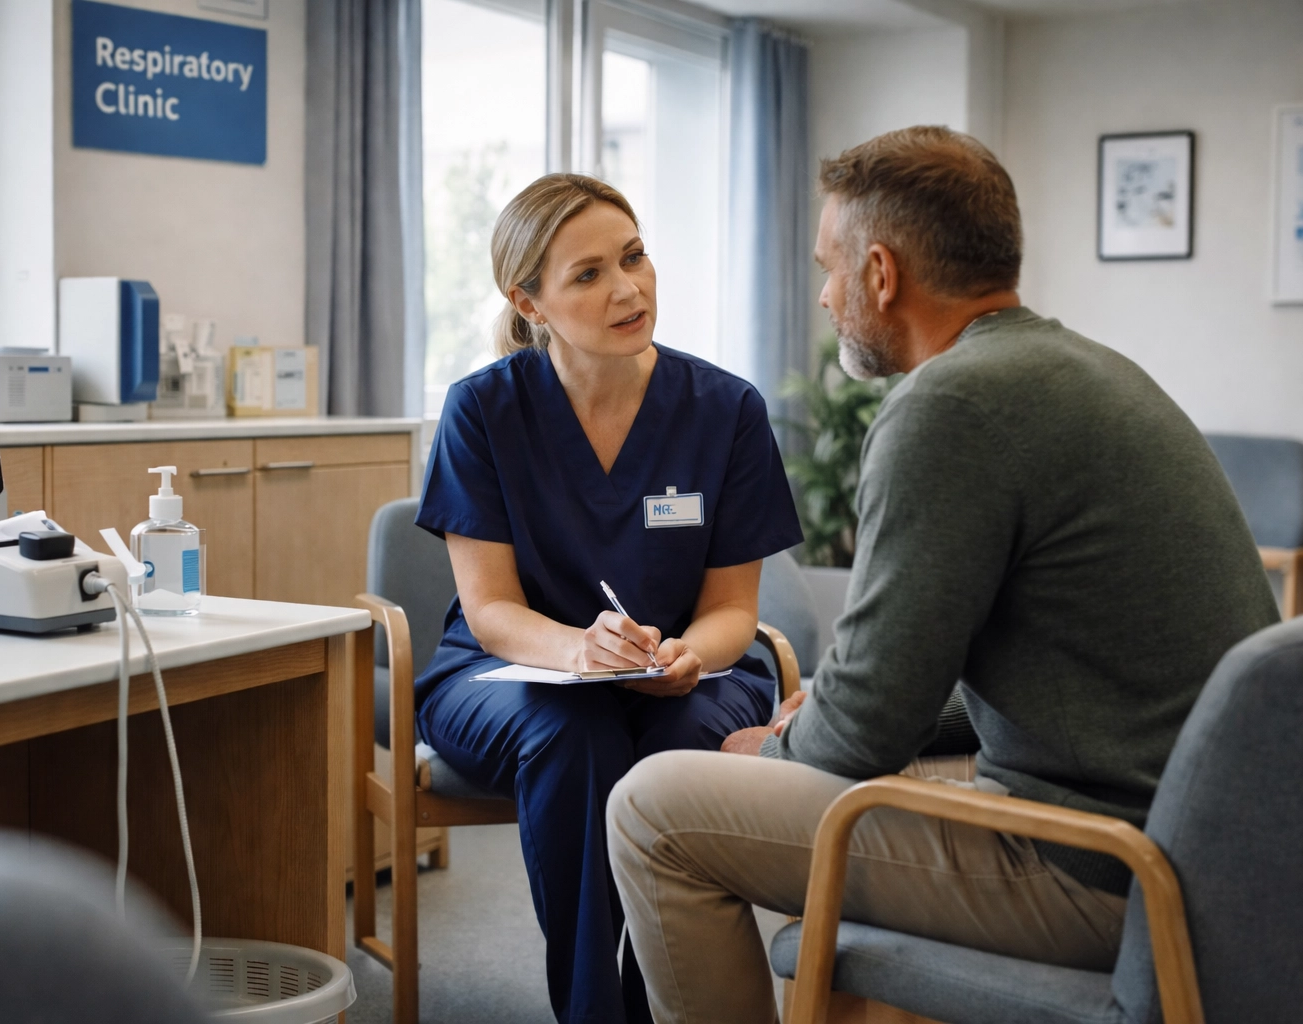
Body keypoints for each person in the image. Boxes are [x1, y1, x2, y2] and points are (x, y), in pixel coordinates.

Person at [606, 126, 1279, 1024]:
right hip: (1202, 849)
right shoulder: (1090, 370)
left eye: (830, 268)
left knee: (653, 807)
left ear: (881, 275)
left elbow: (860, 735)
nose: (824, 294)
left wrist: (775, 748)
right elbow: (1047, 671)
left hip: (1103, 871)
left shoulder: (949, 407)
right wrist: (858, 718)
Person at [413, 173, 802, 1024]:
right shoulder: (481, 411)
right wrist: (578, 653)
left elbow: (735, 608)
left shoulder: (726, 409)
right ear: (531, 301)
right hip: (508, 671)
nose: (628, 289)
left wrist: (692, 654)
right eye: (588, 274)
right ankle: (595, 1010)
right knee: (572, 732)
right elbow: (489, 611)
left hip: (696, 670)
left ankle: (655, 997)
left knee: (681, 746)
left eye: (634, 257)